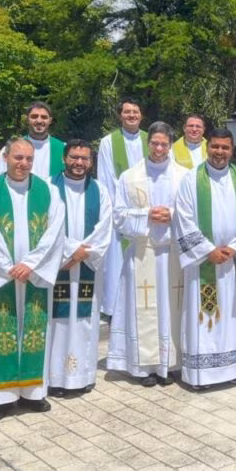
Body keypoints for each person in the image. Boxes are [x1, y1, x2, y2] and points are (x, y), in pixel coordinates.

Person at [0, 138, 65, 423]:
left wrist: (31, 264)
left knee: (35, 331)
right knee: (0, 334)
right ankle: (2, 398)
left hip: (33, 275)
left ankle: (33, 393)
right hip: (1, 278)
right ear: (6, 157)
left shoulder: (48, 191)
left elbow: (55, 231)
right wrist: (7, 267)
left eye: (28, 159)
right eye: (18, 158)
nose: (23, 164)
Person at [108, 122, 187, 387]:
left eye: (165, 143)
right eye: (155, 143)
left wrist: (172, 215)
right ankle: (146, 368)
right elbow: (118, 216)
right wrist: (147, 215)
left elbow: (192, 213)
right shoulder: (129, 177)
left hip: (173, 253)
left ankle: (173, 364)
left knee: (172, 308)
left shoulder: (184, 175)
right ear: (148, 143)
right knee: (146, 309)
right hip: (143, 252)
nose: (159, 148)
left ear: (170, 144)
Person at [174, 128, 236, 389]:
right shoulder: (191, 179)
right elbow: (182, 218)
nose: (220, 152)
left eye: (225, 148)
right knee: (204, 316)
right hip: (203, 263)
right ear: (208, 148)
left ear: (232, 150)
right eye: (215, 147)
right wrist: (208, 250)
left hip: (233, 262)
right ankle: (202, 376)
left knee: (233, 316)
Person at [48, 140, 113, 397]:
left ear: (91, 162)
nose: (79, 163)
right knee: (57, 322)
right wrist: (68, 251)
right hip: (57, 268)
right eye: (74, 157)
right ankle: (54, 378)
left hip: (86, 266)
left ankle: (83, 376)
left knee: (86, 321)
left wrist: (82, 252)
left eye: (84, 158)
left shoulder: (100, 190)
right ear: (64, 158)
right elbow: (43, 226)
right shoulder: (48, 188)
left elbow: (105, 227)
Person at [96, 97, 146, 318]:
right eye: (127, 112)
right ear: (120, 115)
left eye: (135, 112)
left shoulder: (151, 139)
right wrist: (117, 208)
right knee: (117, 260)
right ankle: (116, 307)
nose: (131, 115)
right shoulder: (108, 142)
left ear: (141, 115)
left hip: (147, 211)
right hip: (120, 211)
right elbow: (105, 177)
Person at [0, 101, 65, 180]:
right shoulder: (12, 148)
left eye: (44, 117)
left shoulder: (64, 149)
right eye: (34, 116)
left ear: (50, 120)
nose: (39, 121)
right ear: (27, 119)